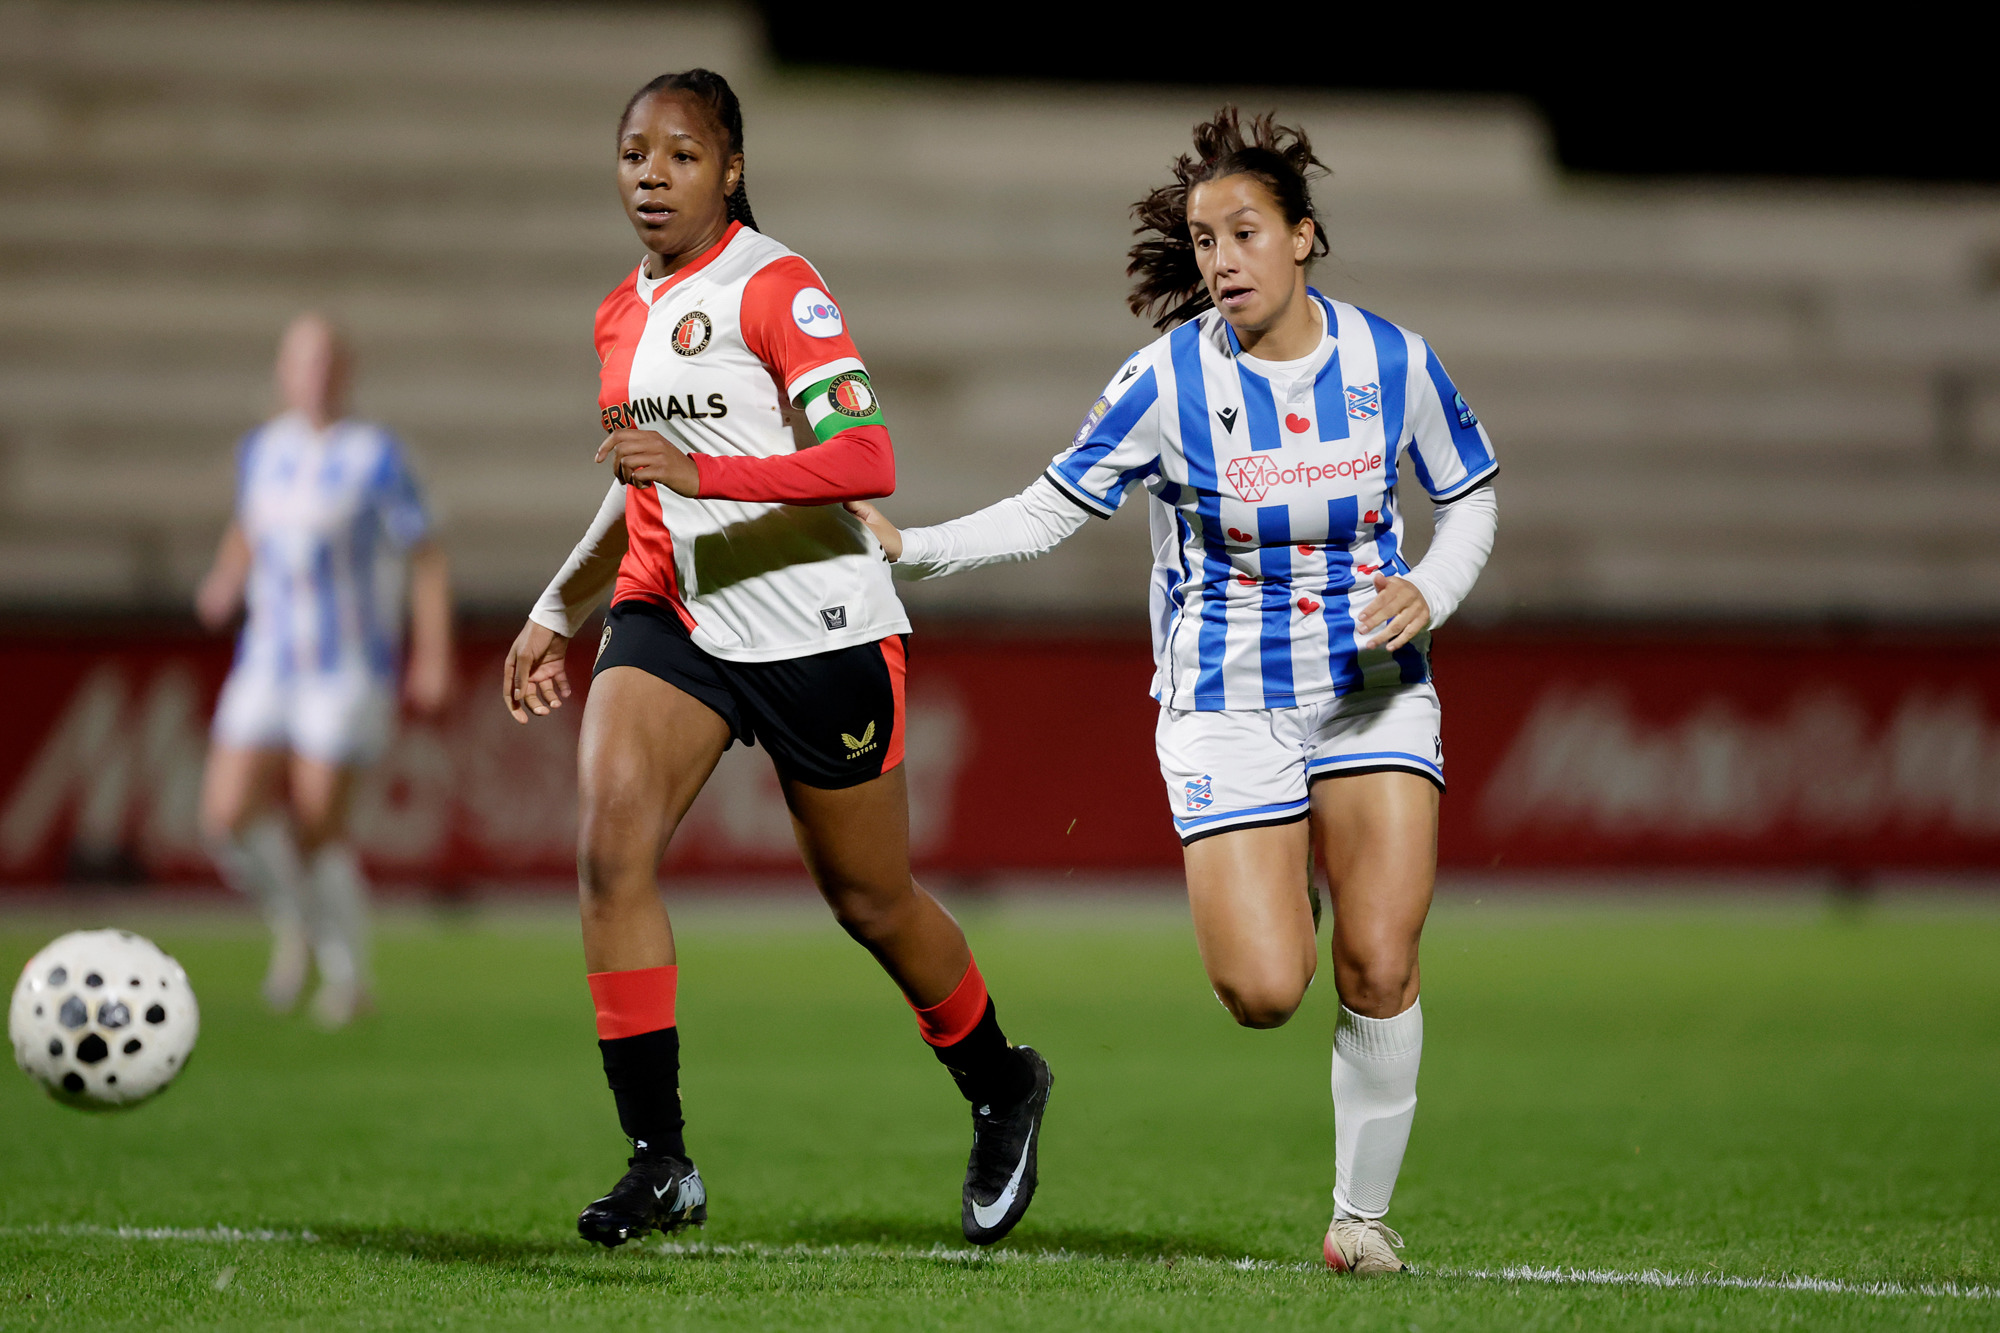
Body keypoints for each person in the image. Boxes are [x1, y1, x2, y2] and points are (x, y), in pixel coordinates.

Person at [847, 108, 1498, 1275]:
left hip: (1369, 681)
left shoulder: (1389, 361)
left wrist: (1431, 592)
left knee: (1382, 960)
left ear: (1302, 238)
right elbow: (1051, 504)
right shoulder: (1163, 380)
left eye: (1242, 233)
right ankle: (1283, 877)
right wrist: (914, 550)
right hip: (1224, 695)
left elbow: (1470, 496)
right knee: (1262, 991)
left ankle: (1359, 1217)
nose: (1220, 261)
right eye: (1202, 242)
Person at [499, 69, 1052, 1250]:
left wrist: (707, 473)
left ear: (730, 170)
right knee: (608, 847)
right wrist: (559, 605)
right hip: (677, 615)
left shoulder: (777, 287)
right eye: (633, 153)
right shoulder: (617, 314)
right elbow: (636, 480)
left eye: (680, 155)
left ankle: (1003, 1083)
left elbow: (865, 456)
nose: (651, 174)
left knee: (869, 899)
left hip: (815, 625)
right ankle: (660, 1160)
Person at [196, 312, 453, 1029]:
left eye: (327, 362)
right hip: (268, 659)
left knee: (317, 825)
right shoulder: (262, 451)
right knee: (225, 817)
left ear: (347, 372)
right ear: (284, 371)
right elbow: (249, 526)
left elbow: (425, 555)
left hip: (347, 666)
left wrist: (430, 655)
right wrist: (225, 577)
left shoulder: (377, 457)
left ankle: (347, 976)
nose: (315, 375)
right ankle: (296, 920)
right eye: (302, 361)